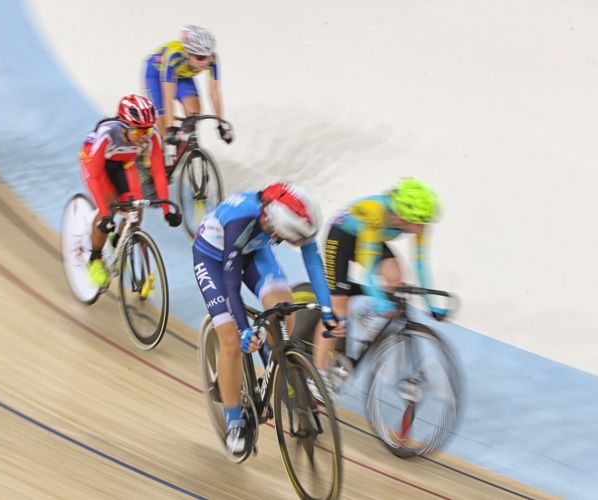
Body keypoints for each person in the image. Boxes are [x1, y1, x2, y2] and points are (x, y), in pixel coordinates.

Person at [192, 182, 342, 455]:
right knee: (232, 340)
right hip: (215, 258)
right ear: (275, 227)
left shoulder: (293, 213)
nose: (298, 245)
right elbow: (229, 283)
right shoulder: (242, 220)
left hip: (253, 250)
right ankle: (234, 419)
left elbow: (313, 264)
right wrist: (244, 330)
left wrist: (329, 310)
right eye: (293, 241)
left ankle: (270, 371)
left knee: (283, 314)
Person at [311, 178, 447, 396]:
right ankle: (317, 376)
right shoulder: (376, 212)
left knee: (396, 276)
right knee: (338, 309)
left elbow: (420, 264)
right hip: (342, 237)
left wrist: (433, 305)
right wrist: (380, 300)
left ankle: (368, 314)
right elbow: (368, 264)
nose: (423, 228)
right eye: (419, 222)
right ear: (402, 217)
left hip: (367, 238)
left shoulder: (417, 222)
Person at [79, 94, 182, 288]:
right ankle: (95, 258)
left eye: (148, 129)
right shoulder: (108, 134)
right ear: (125, 126)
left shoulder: (151, 137)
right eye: (138, 130)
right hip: (96, 166)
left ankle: (118, 239)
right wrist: (104, 213)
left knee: (136, 209)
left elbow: (159, 173)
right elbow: (96, 175)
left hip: (123, 163)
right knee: (108, 211)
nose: (144, 136)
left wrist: (167, 211)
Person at [144, 25, 233, 147]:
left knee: (194, 113)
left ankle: (184, 150)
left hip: (182, 75)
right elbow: (168, 97)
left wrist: (221, 125)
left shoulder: (212, 60)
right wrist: (170, 127)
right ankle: (158, 153)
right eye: (200, 57)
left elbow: (214, 93)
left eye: (208, 56)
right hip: (156, 74)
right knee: (163, 120)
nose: (206, 62)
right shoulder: (174, 57)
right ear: (188, 54)